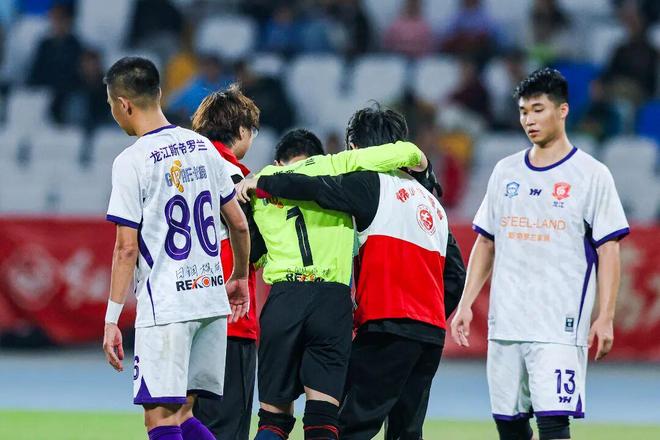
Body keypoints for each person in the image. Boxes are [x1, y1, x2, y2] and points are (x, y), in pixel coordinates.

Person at [246, 106, 466, 439]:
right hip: (430, 335)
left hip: (386, 323)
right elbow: (456, 275)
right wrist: (429, 317)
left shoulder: (368, 184)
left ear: (355, 148)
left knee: (347, 426)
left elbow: (316, 188)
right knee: (406, 432)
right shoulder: (433, 203)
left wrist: (263, 181)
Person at [451, 68, 629, 440]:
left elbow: (609, 250)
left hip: (558, 326)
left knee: (553, 423)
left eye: (537, 110)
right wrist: (466, 303)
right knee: (509, 425)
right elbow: (486, 242)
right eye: (523, 112)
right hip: (506, 323)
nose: (528, 120)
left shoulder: (591, 175)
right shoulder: (505, 171)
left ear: (562, 111)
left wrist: (606, 316)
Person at [101, 57, 250, 440]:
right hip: (209, 301)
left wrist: (112, 319)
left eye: (111, 104)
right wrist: (238, 277)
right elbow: (238, 223)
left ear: (123, 104)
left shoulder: (132, 161)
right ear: (159, 93)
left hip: (167, 307)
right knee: (183, 414)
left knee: (160, 420)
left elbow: (126, 249)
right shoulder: (203, 147)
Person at [189, 86, 262, 439]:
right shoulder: (235, 178)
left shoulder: (180, 172)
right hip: (230, 318)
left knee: (185, 422)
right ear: (242, 130)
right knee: (226, 427)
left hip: (185, 314)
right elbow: (254, 242)